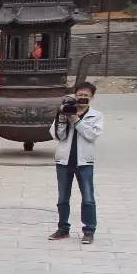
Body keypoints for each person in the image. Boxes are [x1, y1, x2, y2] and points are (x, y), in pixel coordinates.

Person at [48, 82, 103, 244]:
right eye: (80, 95)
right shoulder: (65, 110)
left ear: (92, 97)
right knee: (63, 197)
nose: (82, 98)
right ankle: (63, 229)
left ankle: (89, 230)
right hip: (64, 161)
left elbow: (91, 135)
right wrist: (62, 117)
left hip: (85, 162)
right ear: (75, 95)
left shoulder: (96, 115)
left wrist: (76, 120)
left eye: (86, 95)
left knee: (88, 198)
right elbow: (57, 136)